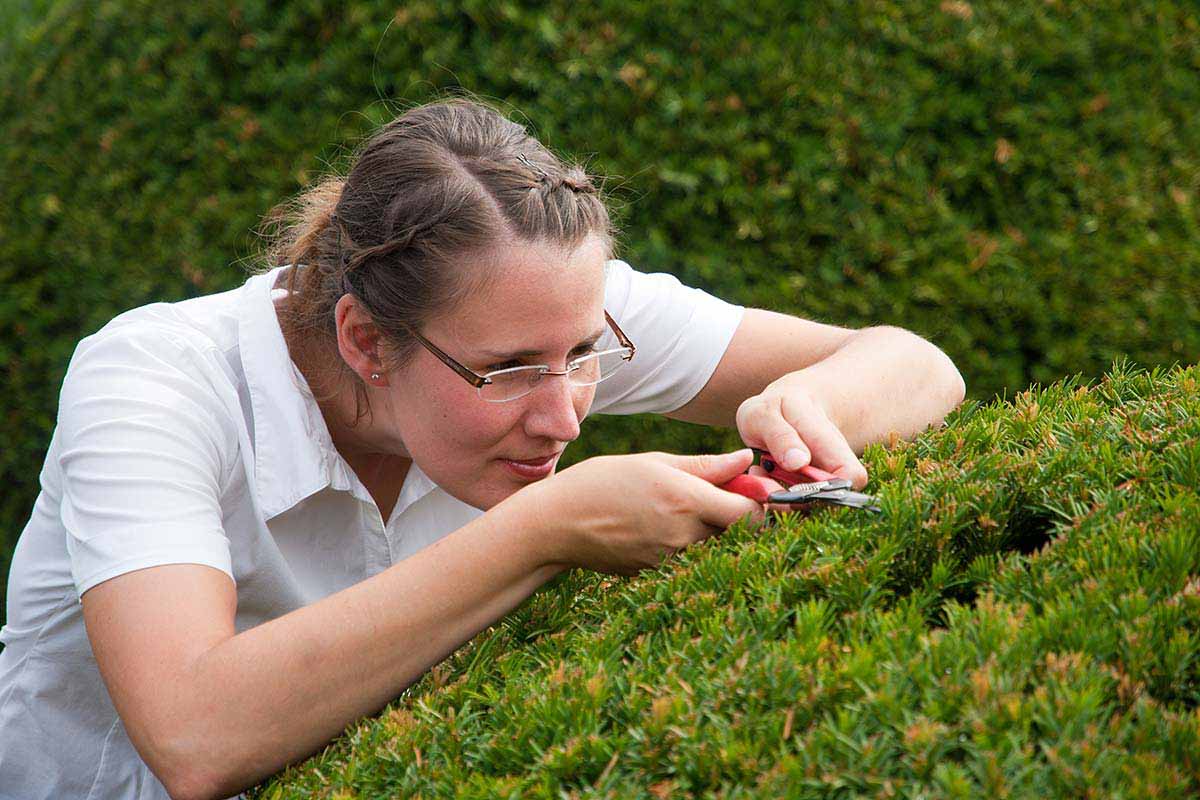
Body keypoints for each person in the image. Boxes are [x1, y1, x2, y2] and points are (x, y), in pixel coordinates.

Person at [0, 97, 965, 800]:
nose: (566, 416)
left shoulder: (538, 314)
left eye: (585, 356)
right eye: (507, 373)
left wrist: (803, 402)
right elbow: (194, 735)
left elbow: (919, 366)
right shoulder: (152, 382)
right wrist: (546, 530)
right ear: (365, 341)